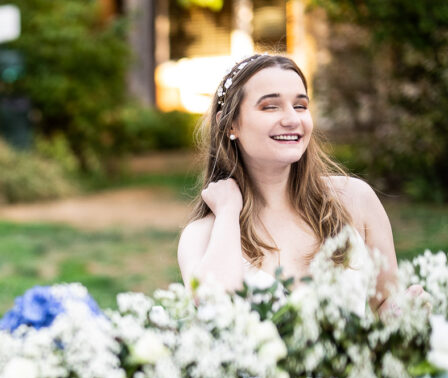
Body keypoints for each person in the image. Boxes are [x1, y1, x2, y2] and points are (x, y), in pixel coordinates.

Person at [177, 53, 414, 314]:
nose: (292, 119)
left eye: (300, 106)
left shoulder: (355, 199)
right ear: (230, 123)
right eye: (270, 106)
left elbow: (383, 305)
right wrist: (228, 213)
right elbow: (214, 310)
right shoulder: (202, 235)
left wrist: (407, 309)